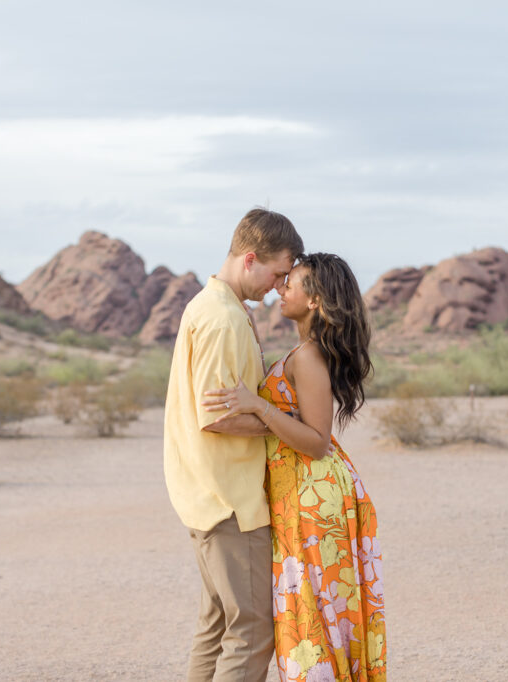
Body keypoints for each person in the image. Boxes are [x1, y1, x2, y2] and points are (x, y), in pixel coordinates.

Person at [204, 253, 387, 681]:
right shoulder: (303, 352)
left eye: (294, 282)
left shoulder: (308, 357)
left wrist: (257, 407)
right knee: (312, 612)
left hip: (313, 495)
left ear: (315, 301)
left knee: (314, 614)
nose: (282, 287)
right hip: (302, 496)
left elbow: (317, 441)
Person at [163, 208, 303, 681]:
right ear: (250, 259)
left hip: (207, 494)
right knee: (253, 630)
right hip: (230, 501)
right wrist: (283, 423)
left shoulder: (209, 305)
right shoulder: (222, 318)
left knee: (218, 624)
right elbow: (219, 416)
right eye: (278, 272)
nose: (278, 286)